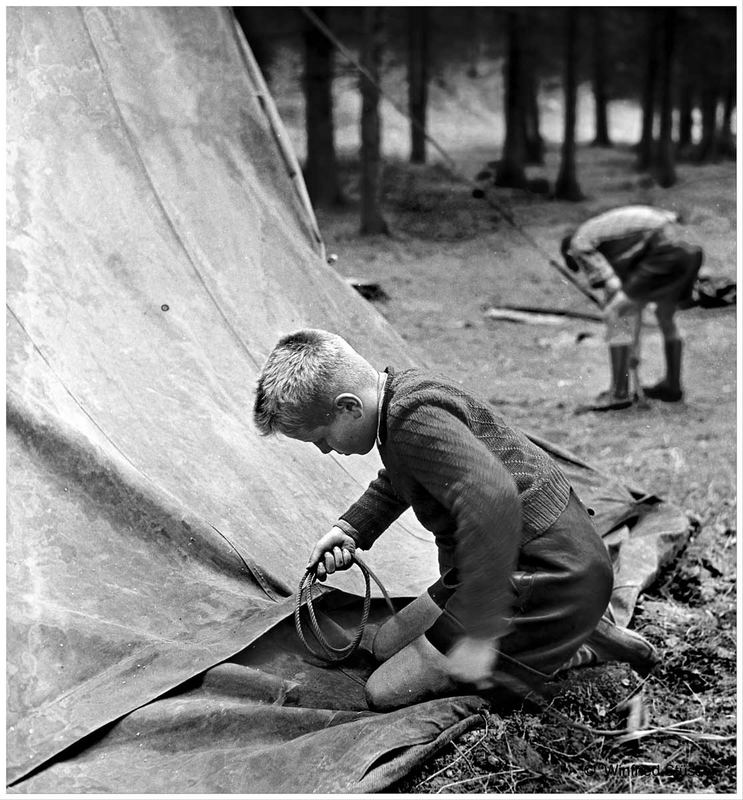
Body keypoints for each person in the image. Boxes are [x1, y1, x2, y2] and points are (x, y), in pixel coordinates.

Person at [253, 329, 658, 710]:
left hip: (546, 570)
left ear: (348, 407)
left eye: (321, 438)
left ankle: (572, 644)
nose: (325, 451)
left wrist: (478, 630)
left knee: (384, 692)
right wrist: (349, 530)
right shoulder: (399, 399)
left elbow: (497, 501)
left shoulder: (413, 419)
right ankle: (580, 630)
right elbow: (402, 478)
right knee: (383, 647)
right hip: (512, 561)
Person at [560, 205, 703, 410]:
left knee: (615, 313)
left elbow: (613, 287)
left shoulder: (578, 243)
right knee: (664, 315)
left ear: (569, 252)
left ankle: (619, 393)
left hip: (664, 249)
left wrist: (615, 306)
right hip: (687, 250)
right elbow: (630, 299)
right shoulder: (616, 242)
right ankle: (672, 386)